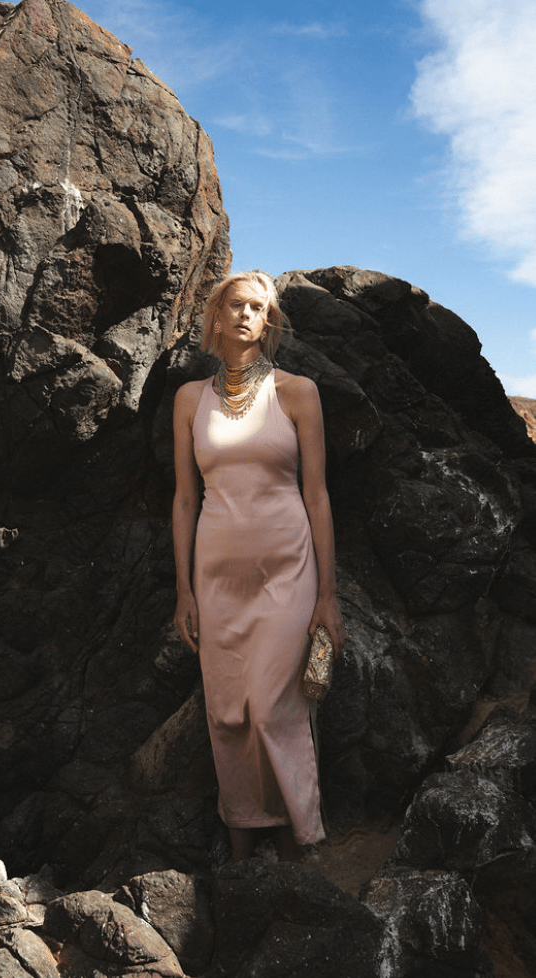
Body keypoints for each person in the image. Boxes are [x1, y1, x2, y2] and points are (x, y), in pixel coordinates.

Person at [172, 270, 345, 863]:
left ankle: (302, 838)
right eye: (238, 305)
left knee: (274, 706)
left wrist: (329, 595)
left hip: (287, 572)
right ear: (217, 316)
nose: (248, 315)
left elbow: (317, 495)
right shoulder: (190, 399)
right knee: (228, 711)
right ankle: (243, 838)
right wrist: (183, 592)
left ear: (268, 321)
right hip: (215, 577)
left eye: (260, 308)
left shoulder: (298, 392)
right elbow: (185, 499)